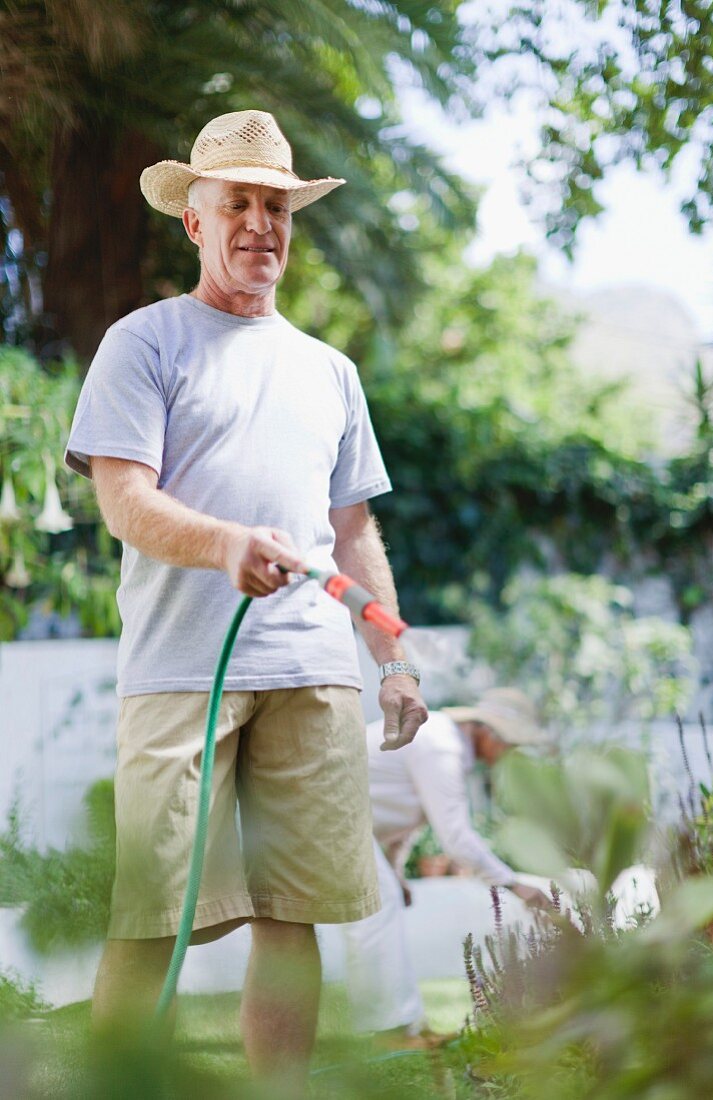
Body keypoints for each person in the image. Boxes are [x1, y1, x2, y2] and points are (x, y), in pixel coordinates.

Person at [64, 109, 427, 1095]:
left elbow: (352, 532)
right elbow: (123, 499)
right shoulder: (144, 343)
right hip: (184, 670)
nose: (261, 224)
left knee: (290, 913)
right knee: (149, 918)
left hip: (310, 672)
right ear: (196, 216)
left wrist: (390, 654)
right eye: (240, 204)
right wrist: (225, 543)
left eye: (277, 205)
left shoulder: (329, 370)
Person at [340, 687, 550, 1046]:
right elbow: (456, 838)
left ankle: (406, 1026)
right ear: (488, 732)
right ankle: (391, 1032)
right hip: (333, 817)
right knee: (375, 913)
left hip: (351, 823)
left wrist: (395, 871)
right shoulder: (441, 744)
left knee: (382, 905)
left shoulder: (444, 744)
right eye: (511, 744)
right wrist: (514, 885)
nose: (510, 754)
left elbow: (402, 820)